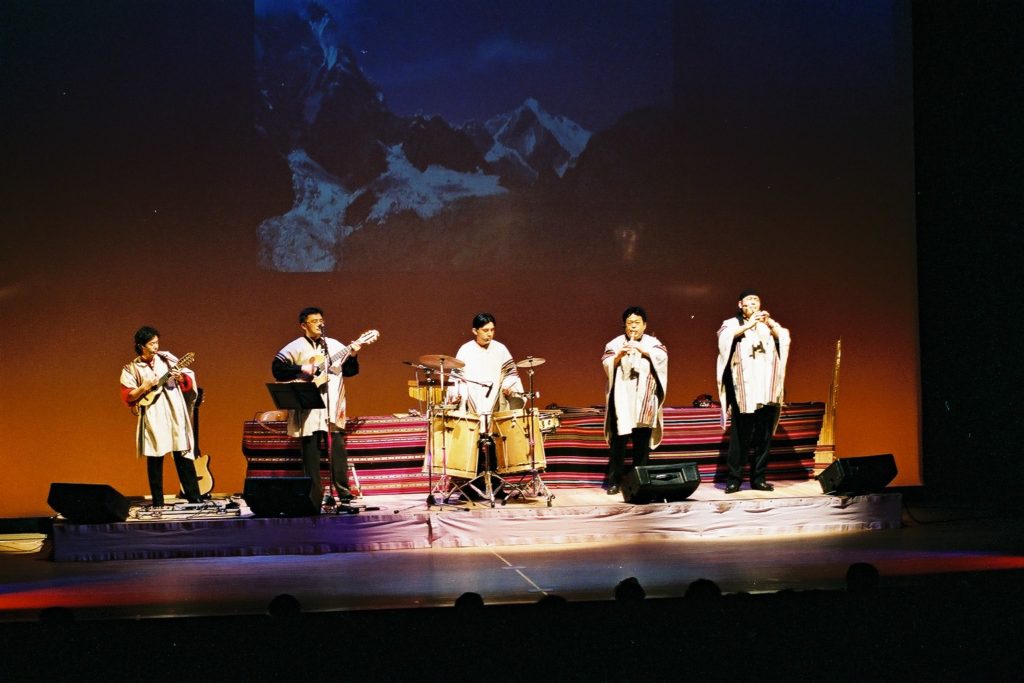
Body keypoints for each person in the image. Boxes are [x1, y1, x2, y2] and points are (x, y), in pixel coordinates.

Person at [272, 307, 364, 508]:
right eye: (314, 321)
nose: (319, 324)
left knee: (337, 450)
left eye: (321, 320)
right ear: (303, 325)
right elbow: (277, 369)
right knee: (311, 452)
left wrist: (353, 355)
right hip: (309, 407)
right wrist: (301, 368)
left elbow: (350, 371)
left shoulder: (334, 345)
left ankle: (343, 492)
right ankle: (314, 494)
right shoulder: (295, 347)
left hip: (332, 405)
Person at [716, 289, 791, 493]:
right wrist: (749, 325)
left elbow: (784, 338)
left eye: (756, 301)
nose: (753, 304)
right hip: (744, 389)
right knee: (740, 434)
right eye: (748, 301)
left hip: (766, 388)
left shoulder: (767, 324)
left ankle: (759, 478)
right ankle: (734, 478)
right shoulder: (732, 323)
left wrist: (770, 323)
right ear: (740, 305)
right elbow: (723, 338)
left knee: (764, 435)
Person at [120, 326, 202, 507]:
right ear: (141, 346)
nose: (156, 346)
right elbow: (128, 396)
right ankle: (158, 501)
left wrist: (180, 378)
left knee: (182, 451)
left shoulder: (167, 359)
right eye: (152, 344)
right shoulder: (131, 368)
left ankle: (194, 496)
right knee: (155, 455)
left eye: (157, 342)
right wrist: (144, 387)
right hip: (153, 412)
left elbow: (188, 379)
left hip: (173, 409)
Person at [602, 306, 668, 495]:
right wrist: (619, 355)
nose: (633, 327)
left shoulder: (653, 343)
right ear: (624, 325)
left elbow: (662, 358)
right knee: (619, 442)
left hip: (644, 398)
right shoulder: (615, 343)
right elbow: (606, 363)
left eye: (637, 323)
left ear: (644, 325)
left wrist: (643, 350)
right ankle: (615, 481)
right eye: (629, 323)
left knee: (641, 443)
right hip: (622, 397)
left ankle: (641, 481)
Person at [450, 312, 525, 422]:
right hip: (473, 397)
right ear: (475, 331)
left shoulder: (501, 349)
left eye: (492, 330)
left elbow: (511, 374)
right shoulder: (465, 350)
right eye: (485, 330)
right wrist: (458, 393)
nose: (490, 334)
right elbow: (457, 378)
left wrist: (508, 387)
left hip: (495, 398)